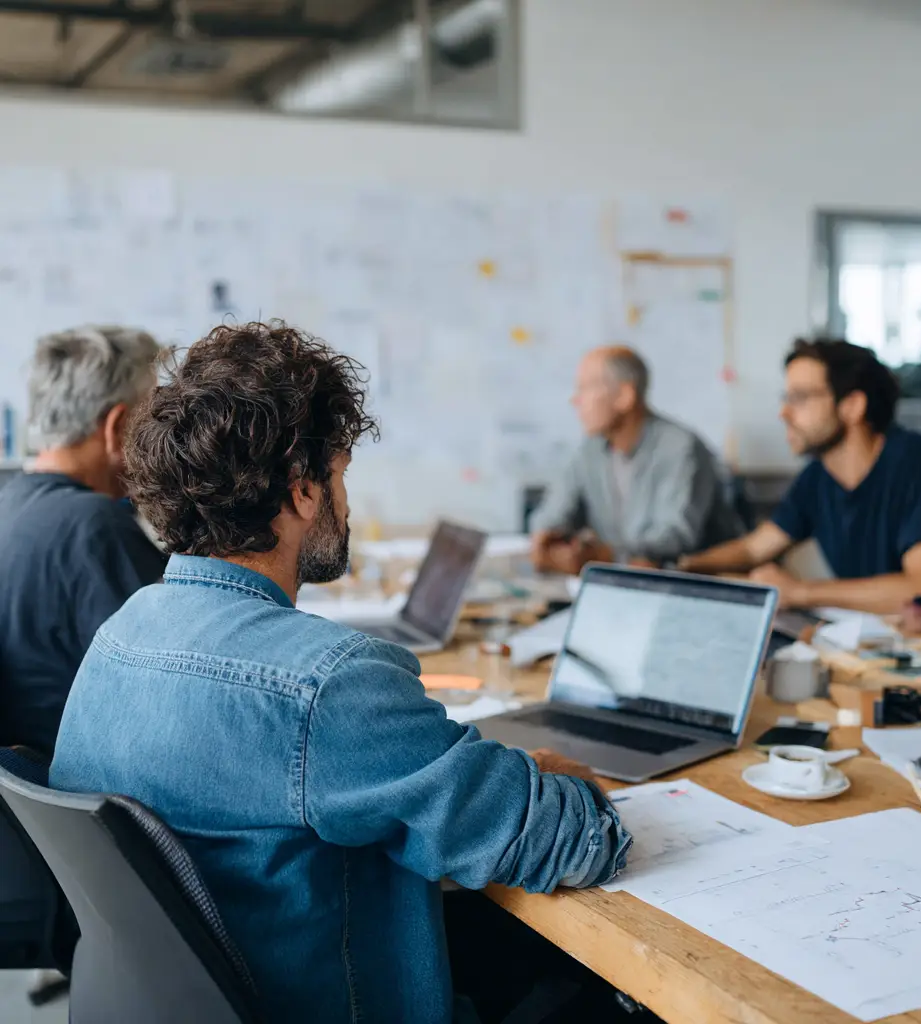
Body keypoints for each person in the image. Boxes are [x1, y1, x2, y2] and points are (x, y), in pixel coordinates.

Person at [50, 323, 631, 1024]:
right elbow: (574, 845)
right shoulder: (328, 684)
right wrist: (557, 780)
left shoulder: (121, 633)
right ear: (302, 492)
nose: (345, 503)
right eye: (341, 475)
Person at [682, 338, 921, 622]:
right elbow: (753, 549)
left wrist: (800, 592)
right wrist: (682, 566)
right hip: (888, 643)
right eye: (786, 397)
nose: (784, 413)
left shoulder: (917, 463)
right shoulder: (817, 478)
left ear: (852, 406)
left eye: (800, 398)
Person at [0, 326, 168, 757]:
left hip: (31, 808)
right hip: (89, 790)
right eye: (154, 422)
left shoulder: (10, 505)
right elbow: (177, 683)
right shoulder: (96, 527)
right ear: (116, 428)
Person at [530, 346, 741, 574]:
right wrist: (546, 539)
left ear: (624, 396)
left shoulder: (680, 448)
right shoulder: (590, 449)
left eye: (585, 388)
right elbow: (553, 513)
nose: (575, 400)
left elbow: (675, 537)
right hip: (621, 581)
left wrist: (608, 555)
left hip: (688, 582)